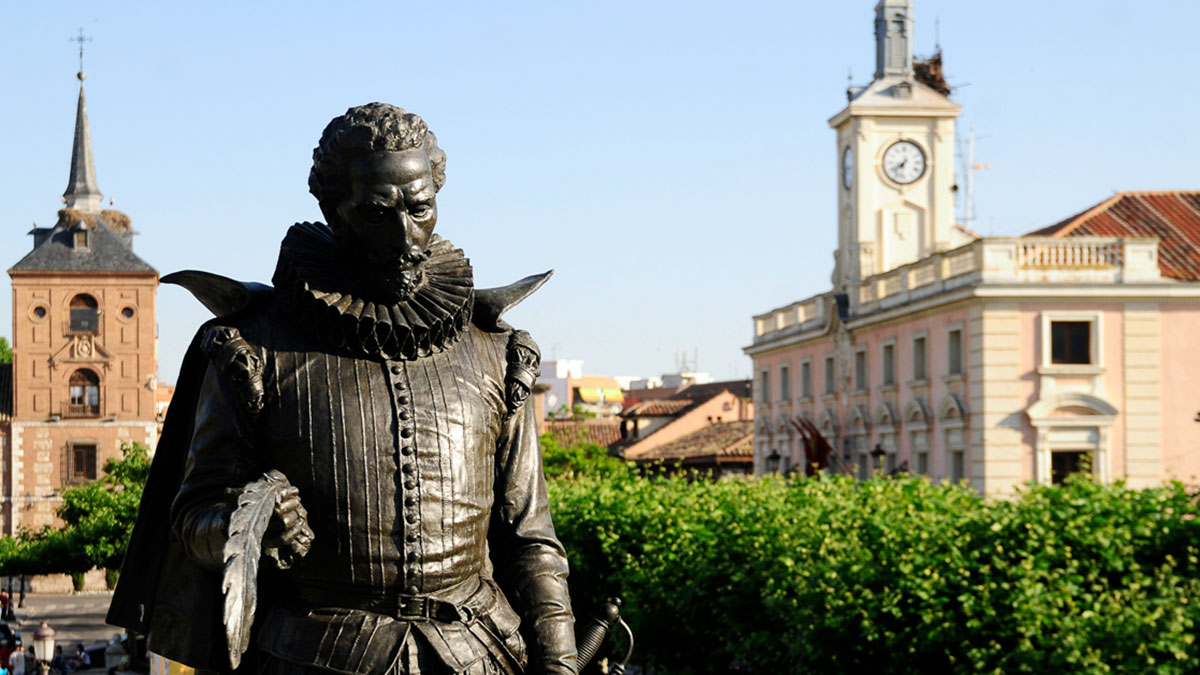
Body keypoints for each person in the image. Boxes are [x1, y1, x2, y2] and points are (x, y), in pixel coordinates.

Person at [108, 104, 577, 674]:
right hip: (313, 657)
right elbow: (193, 519)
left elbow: (531, 537)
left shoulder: (495, 351)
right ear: (332, 208)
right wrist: (247, 524)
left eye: (420, 208)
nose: (406, 237)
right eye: (377, 213)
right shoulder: (253, 349)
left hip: (479, 655)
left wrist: (560, 663)